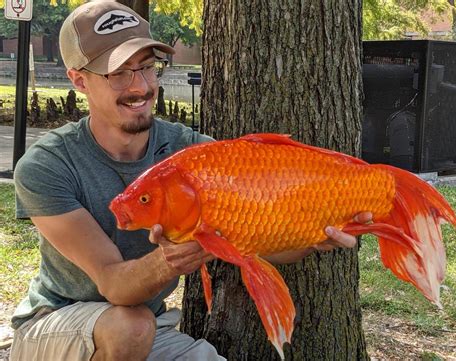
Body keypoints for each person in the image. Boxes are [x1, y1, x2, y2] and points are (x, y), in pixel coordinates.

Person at [10, 2, 372, 360]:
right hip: (56, 326)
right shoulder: (47, 165)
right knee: (130, 326)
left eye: (148, 68)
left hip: (151, 327)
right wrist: (172, 258)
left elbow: (257, 244)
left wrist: (312, 234)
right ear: (78, 79)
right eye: (118, 73)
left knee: (144, 329)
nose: (141, 87)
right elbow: (114, 284)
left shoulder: (195, 155)